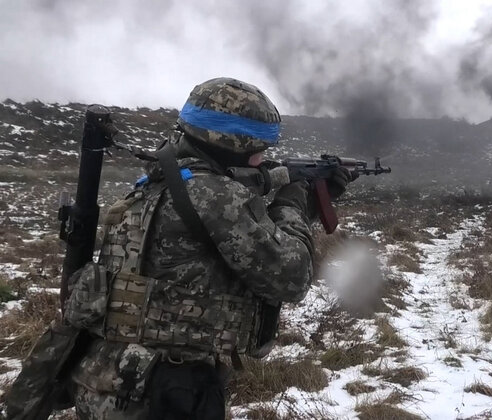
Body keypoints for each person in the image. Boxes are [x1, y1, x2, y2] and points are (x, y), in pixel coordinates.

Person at [65, 77, 354, 419]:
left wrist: (301, 204)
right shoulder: (215, 194)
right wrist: (293, 202)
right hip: (167, 391)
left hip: (110, 378)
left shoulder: (159, 181)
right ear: (233, 145)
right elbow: (291, 276)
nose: (263, 159)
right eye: (259, 149)